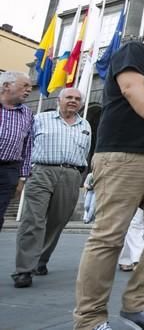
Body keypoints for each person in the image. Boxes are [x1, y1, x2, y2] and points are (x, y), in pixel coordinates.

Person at [73, 8, 144, 330]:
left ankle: (136, 304)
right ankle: (89, 320)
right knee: (109, 236)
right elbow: (131, 88)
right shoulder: (134, 51)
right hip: (124, 154)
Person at [12, 87, 91, 288]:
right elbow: (25, 145)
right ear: (59, 100)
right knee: (33, 220)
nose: (73, 101)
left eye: (77, 98)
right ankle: (23, 270)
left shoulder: (85, 125)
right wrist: (24, 172)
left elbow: (86, 152)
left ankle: (40, 260)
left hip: (71, 175)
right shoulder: (40, 119)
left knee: (57, 221)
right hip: (41, 172)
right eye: (69, 97)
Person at [0, 71, 33, 232]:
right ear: (6, 86)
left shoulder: (27, 113)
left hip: (9, 170)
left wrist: (22, 177)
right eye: (25, 85)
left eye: (31, 87)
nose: (28, 90)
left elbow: (27, 146)